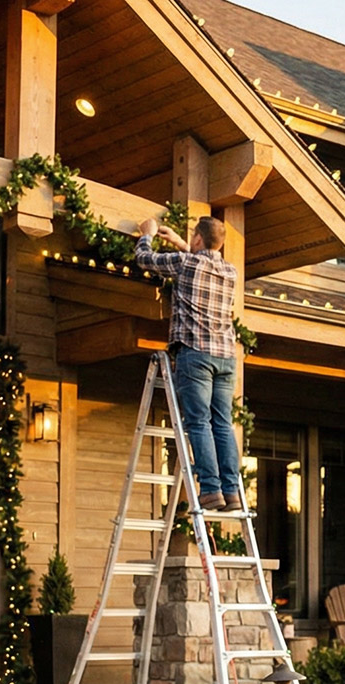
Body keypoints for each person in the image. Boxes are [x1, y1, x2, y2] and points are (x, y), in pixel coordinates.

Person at [134, 215, 241, 512]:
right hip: (226, 356)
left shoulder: (185, 263)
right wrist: (182, 243)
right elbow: (202, 262)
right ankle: (230, 491)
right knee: (222, 423)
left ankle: (210, 489)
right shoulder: (230, 271)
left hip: (196, 354)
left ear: (197, 239)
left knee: (198, 422)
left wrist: (148, 233)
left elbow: (144, 258)